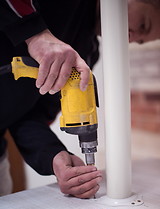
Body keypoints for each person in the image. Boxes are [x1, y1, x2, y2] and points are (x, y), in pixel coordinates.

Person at [0, 0, 102, 198]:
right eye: (143, 24)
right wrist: (35, 33)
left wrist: (53, 155)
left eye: (140, 40)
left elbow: (30, 116)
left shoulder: (86, 53)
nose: (131, 37)